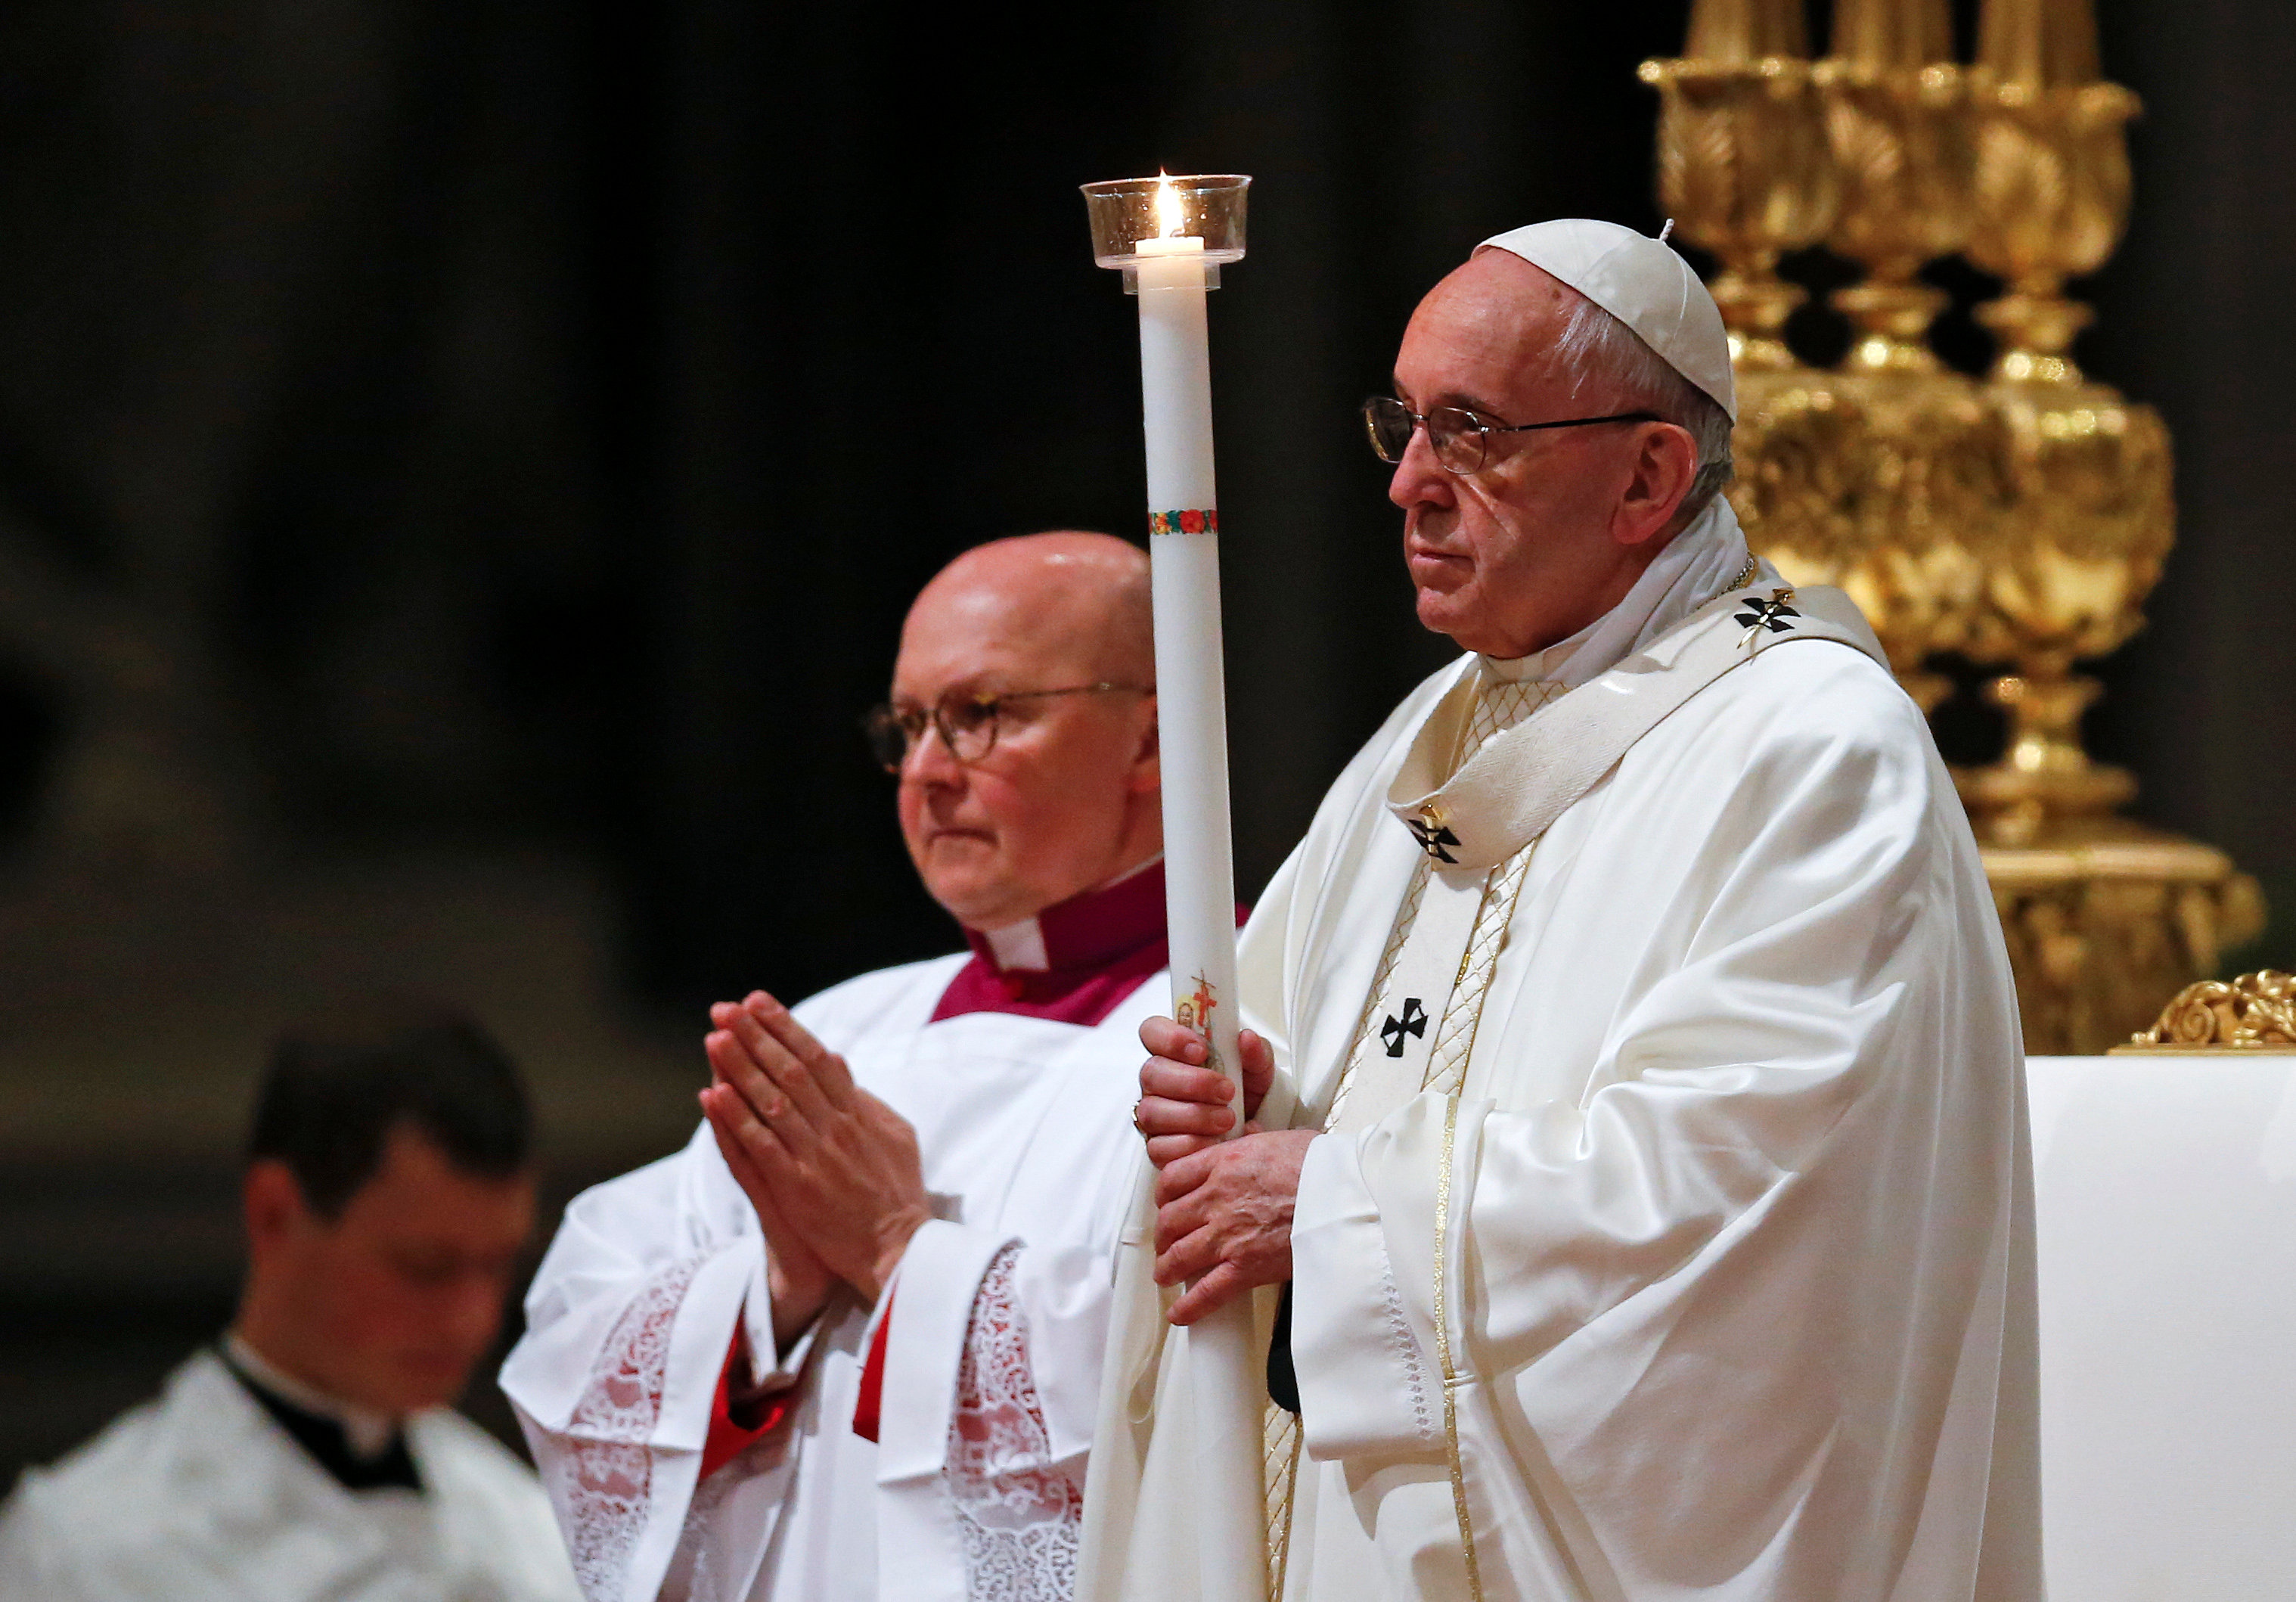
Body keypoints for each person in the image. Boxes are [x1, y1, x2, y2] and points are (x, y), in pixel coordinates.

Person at [1084, 219, 2040, 1602]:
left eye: (1471, 431)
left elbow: (1751, 1190)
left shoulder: (1809, 747)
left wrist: (1335, 1202)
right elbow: (1335, 1093)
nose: (1410, 483)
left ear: (1649, 474)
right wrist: (1266, 1100)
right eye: (1404, 423)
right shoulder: (1434, 728)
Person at [503, 531, 1177, 1602]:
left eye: (981, 714)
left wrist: (898, 1249)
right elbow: (573, 1344)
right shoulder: (843, 1033)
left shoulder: (1243, 1030)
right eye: (907, 726)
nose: (925, 771)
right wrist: (772, 1295)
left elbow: (1208, 1401)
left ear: (1152, 732)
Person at [0, 1005, 580, 1601]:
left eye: (496, 1266)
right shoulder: (81, 1554)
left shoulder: (535, 1535)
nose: (474, 1320)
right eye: (425, 1269)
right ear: (274, 1214)